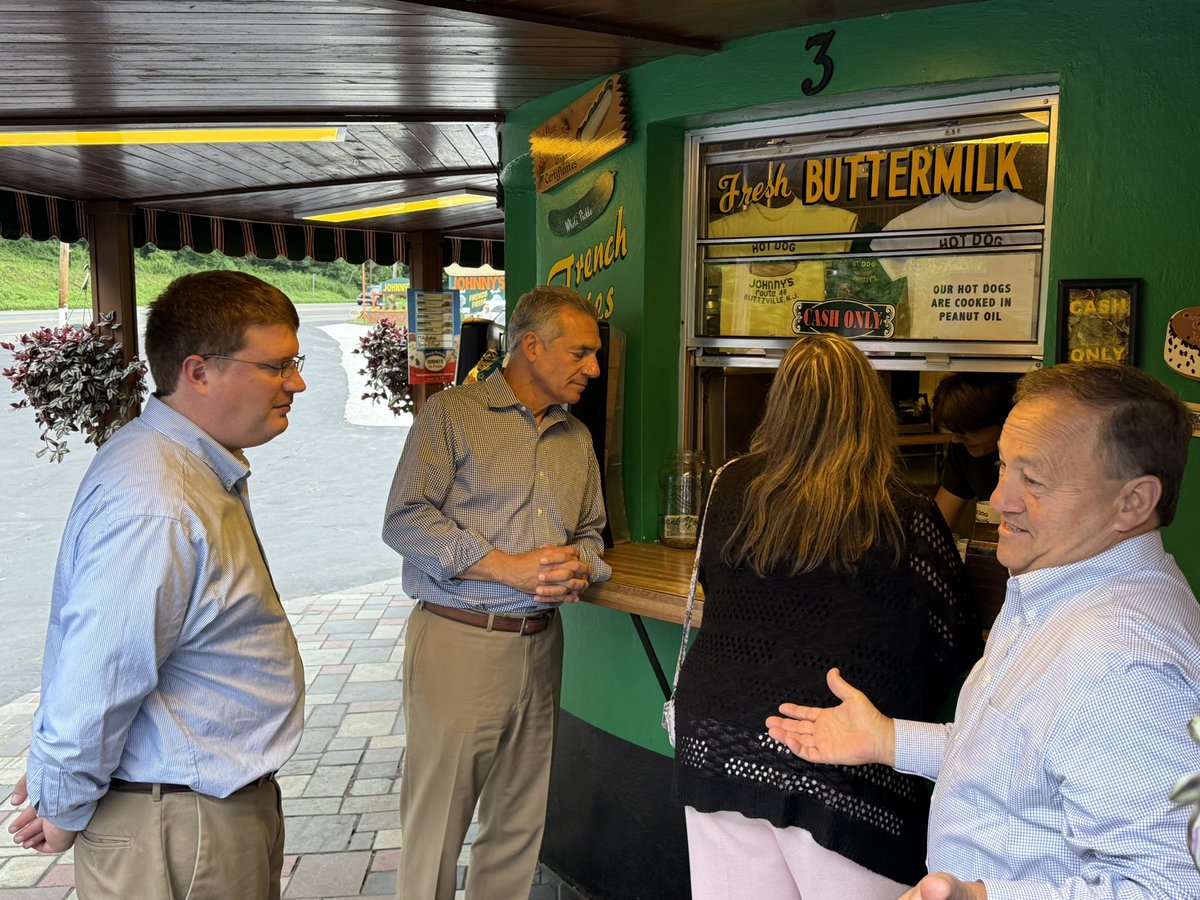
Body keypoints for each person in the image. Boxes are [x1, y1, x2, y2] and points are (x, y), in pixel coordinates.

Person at [767, 362, 1200, 900]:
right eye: (1003, 468)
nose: (999, 500)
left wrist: (980, 898)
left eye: (1035, 480)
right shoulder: (1061, 595)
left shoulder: (1124, 663)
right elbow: (1020, 758)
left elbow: (1171, 886)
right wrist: (890, 739)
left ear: (1133, 502)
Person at [7, 271, 307, 899]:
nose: (296, 384)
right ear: (198, 372)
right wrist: (61, 801)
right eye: (277, 366)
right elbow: (102, 670)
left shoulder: (179, 468)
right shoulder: (159, 499)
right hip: (178, 825)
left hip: (190, 814)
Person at [672, 334, 981, 900]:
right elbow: (954, 644)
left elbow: (717, 587)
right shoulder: (906, 513)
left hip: (717, 736)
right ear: (872, 408)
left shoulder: (730, 484)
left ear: (779, 403)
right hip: (838, 757)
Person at [382, 284, 611, 900]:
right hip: (460, 639)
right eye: (581, 353)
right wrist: (508, 568)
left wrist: (582, 567)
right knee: (438, 823)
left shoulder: (577, 439)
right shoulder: (451, 416)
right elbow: (404, 521)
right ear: (531, 347)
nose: (594, 368)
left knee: (518, 820)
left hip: (543, 644)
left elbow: (592, 535)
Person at [931, 373, 1017, 528]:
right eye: (954, 431)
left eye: (969, 431)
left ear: (1005, 422)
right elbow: (939, 524)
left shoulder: (1029, 456)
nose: (956, 439)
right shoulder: (964, 449)